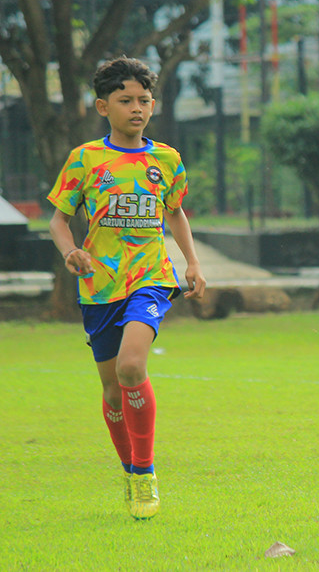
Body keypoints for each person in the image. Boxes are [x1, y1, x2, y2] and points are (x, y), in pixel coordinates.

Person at [47, 56, 207, 520]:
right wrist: (70, 251)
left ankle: (145, 473)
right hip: (99, 286)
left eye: (143, 100)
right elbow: (58, 218)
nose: (137, 108)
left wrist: (191, 262)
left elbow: (174, 211)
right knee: (113, 392)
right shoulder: (86, 159)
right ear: (103, 106)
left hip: (151, 278)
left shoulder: (167, 160)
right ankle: (129, 469)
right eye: (125, 100)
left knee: (133, 367)